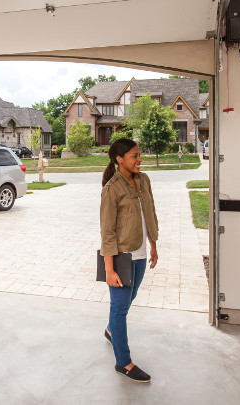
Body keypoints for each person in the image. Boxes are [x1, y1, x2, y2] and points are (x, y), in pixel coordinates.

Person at [100, 138, 159, 382]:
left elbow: (150, 212)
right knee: (120, 308)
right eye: (134, 156)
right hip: (122, 256)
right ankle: (123, 362)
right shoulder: (112, 189)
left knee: (128, 299)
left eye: (139, 154)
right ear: (119, 159)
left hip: (141, 253)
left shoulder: (143, 180)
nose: (139, 159)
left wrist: (153, 244)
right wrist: (109, 270)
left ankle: (110, 329)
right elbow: (107, 232)